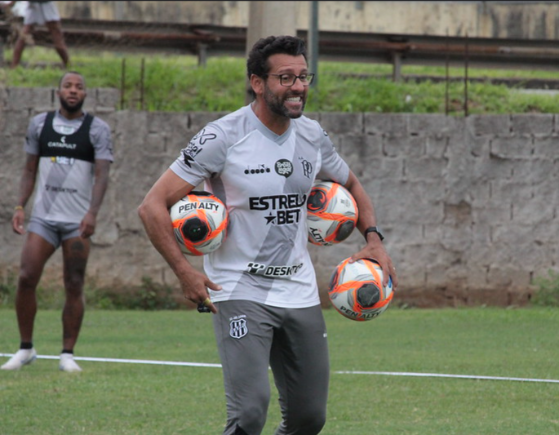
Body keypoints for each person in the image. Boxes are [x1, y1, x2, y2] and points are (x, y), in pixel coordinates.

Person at [138, 35, 398, 434]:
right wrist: (184, 271)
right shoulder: (222, 136)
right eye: (285, 78)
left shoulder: (312, 136)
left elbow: (354, 188)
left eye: (303, 77)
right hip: (238, 288)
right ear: (257, 83)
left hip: (299, 289)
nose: (298, 87)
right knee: (248, 414)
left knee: (309, 418)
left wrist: (374, 240)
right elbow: (152, 205)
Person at [1, 71, 113, 372]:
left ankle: (67, 354)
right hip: (44, 220)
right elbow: (28, 171)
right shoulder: (40, 124)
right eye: (68, 85)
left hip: (77, 222)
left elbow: (102, 176)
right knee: (26, 277)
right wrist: (19, 206)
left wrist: (92, 213)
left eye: (79, 86)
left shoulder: (97, 130)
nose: (73, 90)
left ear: (85, 94)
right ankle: (26, 349)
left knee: (74, 282)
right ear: (58, 91)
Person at [1, 1, 69, 69]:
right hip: (35, 5)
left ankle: (67, 64)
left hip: (44, 4)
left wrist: (11, 4)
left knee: (56, 34)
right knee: (25, 34)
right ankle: (14, 66)